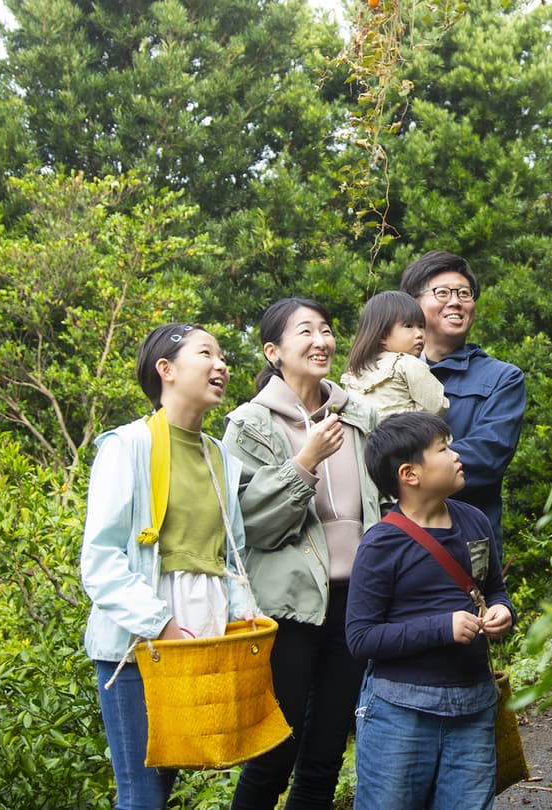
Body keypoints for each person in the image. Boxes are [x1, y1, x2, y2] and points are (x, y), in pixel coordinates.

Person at [81, 322, 257, 810]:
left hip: (200, 643)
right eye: (207, 354)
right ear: (167, 370)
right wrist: (161, 625)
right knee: (142, 797)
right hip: (138, 646)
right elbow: (100, 559)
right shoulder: (127, 446)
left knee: (158, 792)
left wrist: (243, 619)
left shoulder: (219, 455)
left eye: (223, 357)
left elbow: (230, 555)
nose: (221, 365)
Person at [224, 298, 381, 810]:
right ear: (274, 352)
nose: (322, 341)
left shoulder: (360, 415)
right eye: (305, 332)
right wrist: (305, 461)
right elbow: (250, 527)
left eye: (327, 330)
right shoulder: (248, 425)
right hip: (287, 608)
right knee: (273, 753)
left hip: (355, 604)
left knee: (326, 755)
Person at [346, 412, 514, 810]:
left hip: (474, 707)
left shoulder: (474, 521)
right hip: (401, 713)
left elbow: (495, 590)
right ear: (410, 474)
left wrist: (503, 612)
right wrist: (441, 628)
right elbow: (360, 637)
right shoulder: (381, 544)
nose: (457, 456)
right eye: (443, 449)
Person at [399, 251, 526, 554]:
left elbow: (487, 457)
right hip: (395, 541)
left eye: (464, 294)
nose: (455, 301)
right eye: (441, 293)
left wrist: (397, 470)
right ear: (414, 305)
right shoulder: (386, 375)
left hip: (464, 543)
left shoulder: (502, 378)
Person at [340, 290, 449, 419]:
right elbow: (437, 406)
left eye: (421, 326)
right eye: (409, 326)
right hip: (409, 436)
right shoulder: (407, 363)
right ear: (383, 335)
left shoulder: (355, 372)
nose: (419, 334)